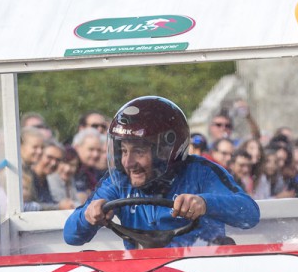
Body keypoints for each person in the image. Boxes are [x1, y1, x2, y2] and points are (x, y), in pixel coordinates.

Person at [64, 97, 259, 249]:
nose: (128, 163)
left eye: (139, 151)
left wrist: (205, 203)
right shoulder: (118, 181)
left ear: (167, 151)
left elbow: (249, 215)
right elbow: (71, 236)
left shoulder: (201, 172)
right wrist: (88, 216)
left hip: (201, 271)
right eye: (123, 151)